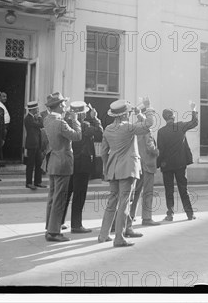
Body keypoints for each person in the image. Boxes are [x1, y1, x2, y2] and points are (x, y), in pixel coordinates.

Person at [97, 98, 154, 248]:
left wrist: (105, 168)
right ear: (123, 115)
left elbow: (103, 152)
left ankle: (103, 235)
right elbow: (149, 124)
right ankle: (119, 238)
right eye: (128, 113)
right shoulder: (128, 127)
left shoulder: (108, 129)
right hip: (127, 169)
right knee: (124, 203)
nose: (129, 115)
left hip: (113, 169)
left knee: (112, 202)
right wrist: (146, 110)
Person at [43, 92, 81, 242]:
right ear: (58, 106)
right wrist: (76, 121)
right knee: (60, 198)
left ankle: (50, 227)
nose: (65, 107)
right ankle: (54, 232)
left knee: (52, 197)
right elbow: (77, 136)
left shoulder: (48, 120)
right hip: (63, 163)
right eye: (63, 105)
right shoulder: (61, 123)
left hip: (53, 161)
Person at [60, 101, 103, 234]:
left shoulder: (67, 124)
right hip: (82, 163)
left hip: (70, 162)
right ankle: (76, 225)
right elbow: (100, 134)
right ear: (83, 114)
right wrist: (95, 118)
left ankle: (59, 221)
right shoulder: (85, 126)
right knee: (79, 195)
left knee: (67, 193)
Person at [157, 101, 198, 221]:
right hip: (181, 164)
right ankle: (189, 214)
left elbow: (161, 149)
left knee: (169, 190)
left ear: (165, 119)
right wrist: (193, 109)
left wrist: (158, 164)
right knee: (183, 189)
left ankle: (170, 214)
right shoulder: (180, 126)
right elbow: (194, 122)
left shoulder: (161, 131)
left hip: (167, 165)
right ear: (173, 117)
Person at [126, 105, 162, 229]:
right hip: (148, 164)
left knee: (136, 191)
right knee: (148, 192)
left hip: (138, 164)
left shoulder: (135, 127)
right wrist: (157, 152)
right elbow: (150, 147)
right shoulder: (147, 130)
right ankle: (147, 217)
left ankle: (131, 215)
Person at [24, 101, 46, 190]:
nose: (38, 110)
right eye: (36, 109)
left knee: (38, 164)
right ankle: (28, 183)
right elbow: (41, 125)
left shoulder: (34, 118)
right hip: (31, 145)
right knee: (30, 165)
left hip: (37, 145)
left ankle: (38, 182)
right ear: (32, 109)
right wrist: (40, 118)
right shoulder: (28, 119)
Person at [0, 91, 11, 167]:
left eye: (6, 96)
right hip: (1, 126)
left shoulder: (2, 105)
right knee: (0, 142)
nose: (5, 98)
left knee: (1, 143)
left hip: (4, 126)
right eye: (3, 96)